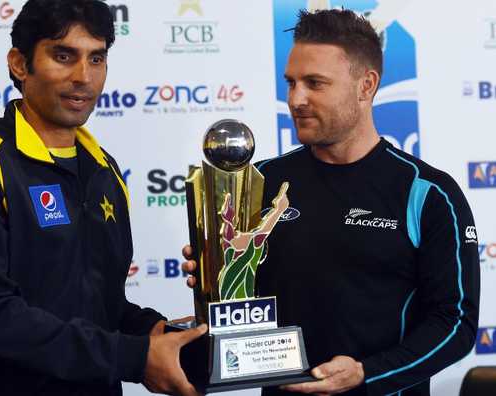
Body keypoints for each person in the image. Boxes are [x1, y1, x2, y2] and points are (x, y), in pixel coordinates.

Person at [0, 0, 205, 395]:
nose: (83, 76)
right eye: (63, 56)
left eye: (96, 59)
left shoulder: (105, 170)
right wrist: (133, 357)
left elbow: (101, 307)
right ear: (19, 63)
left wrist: (162, 334)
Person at [183, 9, 479, 396]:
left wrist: (365, 373)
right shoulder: (260, 184)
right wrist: (215, 282)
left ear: (366, 85)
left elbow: (455, 323)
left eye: (315, 83)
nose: (296, 99)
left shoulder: (428, 193)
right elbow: (242, 302)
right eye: (290, 83)